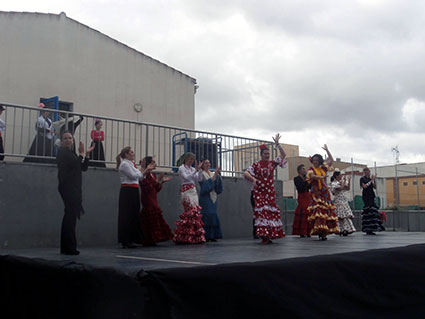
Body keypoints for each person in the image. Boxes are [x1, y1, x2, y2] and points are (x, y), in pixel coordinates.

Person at [244, 134, 287, 244]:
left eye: (268, 154)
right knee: (262, 214)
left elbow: (283, 154)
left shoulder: (272, 163)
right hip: (259, 192)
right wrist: (253, 179)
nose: (267, 155)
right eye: (265, 154)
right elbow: (246, 173)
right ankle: (264, 236)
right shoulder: (256, 165)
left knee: (270, 213)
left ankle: (270, 234)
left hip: (270, 193)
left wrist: (277, 144)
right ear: (261, 155)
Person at [56, 131, 95, 255]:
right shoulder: (63, 153)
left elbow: (83, 167)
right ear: (62, 141)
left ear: (73, 140)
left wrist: (87, 155)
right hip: (68, 188)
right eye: (65, 138)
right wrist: (82, 154)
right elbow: (76, 163)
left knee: (70, 216)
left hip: (74, 188)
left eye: (70, 138)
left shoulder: (71, 153)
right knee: (70, 216)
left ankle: (68, 246)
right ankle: (68, 247)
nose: (68, 140)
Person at [117, 146, 154, 248]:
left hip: (133, 189)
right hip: (127, 190)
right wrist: (144, 170)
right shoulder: (124, 164)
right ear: (126, 154)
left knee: (133, 214)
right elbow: (135, 176)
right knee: (127, 215)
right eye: (131, 152)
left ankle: (131, 238)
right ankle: (126, 240)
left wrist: (142, 171)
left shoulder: (131, 164)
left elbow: (139, 176)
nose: (133, 154)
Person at [306, 145, 339, 240]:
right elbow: (312, 177)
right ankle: (320, 231)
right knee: (318, 212)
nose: (315, 162)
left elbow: (331, 160)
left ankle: (324, 232)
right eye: (314, 160)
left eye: (317, 160)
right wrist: (321, 177)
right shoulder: (311, 170)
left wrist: (327, 150)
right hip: (316, 194)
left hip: (324, 193)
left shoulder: (323, 168)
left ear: (320, 161)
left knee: (326, 212)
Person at [139, 156, 173, 246]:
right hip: (147, 197)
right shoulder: (144, 173)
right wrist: (158, 180)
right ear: (148, 164)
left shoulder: (152, 175)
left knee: (154, 214)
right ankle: (149, 238)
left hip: (153, 197)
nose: (155, 164)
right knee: (151, 212)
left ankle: (153, 238)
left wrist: (161, 182)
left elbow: (155, 189)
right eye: (153, 162)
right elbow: (147, 187)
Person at [173, 152, 206, 244]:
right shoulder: (181, 168)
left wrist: (199, 170)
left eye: (192, 160)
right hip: (186, 189)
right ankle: (185, 235)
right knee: (189, 211)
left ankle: (195, 236)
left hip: (193, 189)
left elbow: (198, 179)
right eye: (190, 159)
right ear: (186, 159)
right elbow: (186, 177)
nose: (191, 161)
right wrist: (195, 170)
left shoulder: (192, 169)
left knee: (195, 211)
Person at [199, 160, 223, 242]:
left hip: (213, 196)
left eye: (209, 163)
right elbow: (204, 186)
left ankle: (212, 235)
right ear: (202, 165)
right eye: (206, 163)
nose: (208, 164)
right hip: (205, 197)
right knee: (207, 214)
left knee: (213, 214)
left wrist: (218, 176)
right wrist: (214, 177)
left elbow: (217, 186)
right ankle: (206, 235)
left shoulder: (212, 173)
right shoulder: (201, 174)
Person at [330, 170, 356, 236]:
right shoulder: (334, 183)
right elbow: (340, 188)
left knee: (345, 216)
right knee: (340, 216)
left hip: (344, 200)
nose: (341, 176)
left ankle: (346, 229)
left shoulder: (341, 182)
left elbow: (347, 188)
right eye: (340, 175)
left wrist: (349, 181)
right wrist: (344, 182)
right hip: (339, 201)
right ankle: (339, 229)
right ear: (336, 176)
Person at [360, 167, 384, 235]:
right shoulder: (362, 179)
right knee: (368, 210)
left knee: (373, 210)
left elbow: (375, 187)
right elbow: (364, 186)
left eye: (368, 171)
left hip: (371, 195)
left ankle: (373, 228)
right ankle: (367, 229)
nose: (367, 172)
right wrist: (371, 181)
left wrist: (373, 180)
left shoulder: (370, 179)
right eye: (365, 171)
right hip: (366, 196)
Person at [292, 164, 312, 237]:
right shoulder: (296, 178)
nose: (304, 170)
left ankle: (308, 231)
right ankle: (302, 231)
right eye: (303, 169)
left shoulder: (306, 178)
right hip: (301, 195)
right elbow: (300, 187)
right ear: (299, 170)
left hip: (307, 195)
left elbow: (309, 186)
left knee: (308, 211)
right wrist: (306, 180)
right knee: (303, 210)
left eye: (304, 169)